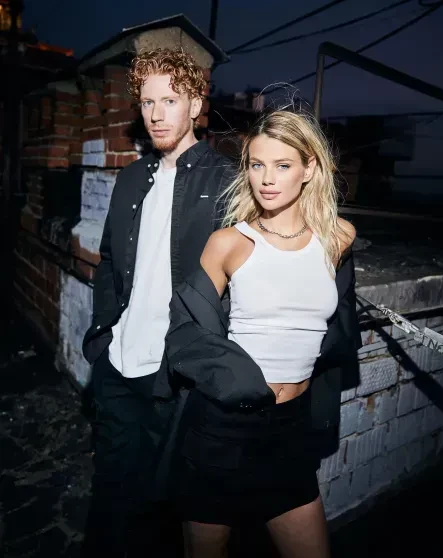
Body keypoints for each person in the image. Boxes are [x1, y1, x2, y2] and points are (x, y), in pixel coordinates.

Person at [153, 109, 361, 558]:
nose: (267, 179)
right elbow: (187, 332)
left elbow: (337, 325)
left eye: (283, 165)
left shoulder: (338, 238)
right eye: (256, 164)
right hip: (223, 428)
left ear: (309, 169)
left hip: (291, 430)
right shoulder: (229, 242)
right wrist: (238, 381)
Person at [81, 47, 233, 557]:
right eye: (147, 102)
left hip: (174, 374)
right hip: (118, 363)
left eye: (170, 100)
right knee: (110, 491)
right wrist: (102, 337)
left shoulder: (224, 180)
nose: (156, 114)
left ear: (196, 105)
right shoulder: (131, 177)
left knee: (161, 505)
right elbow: (109, 262)